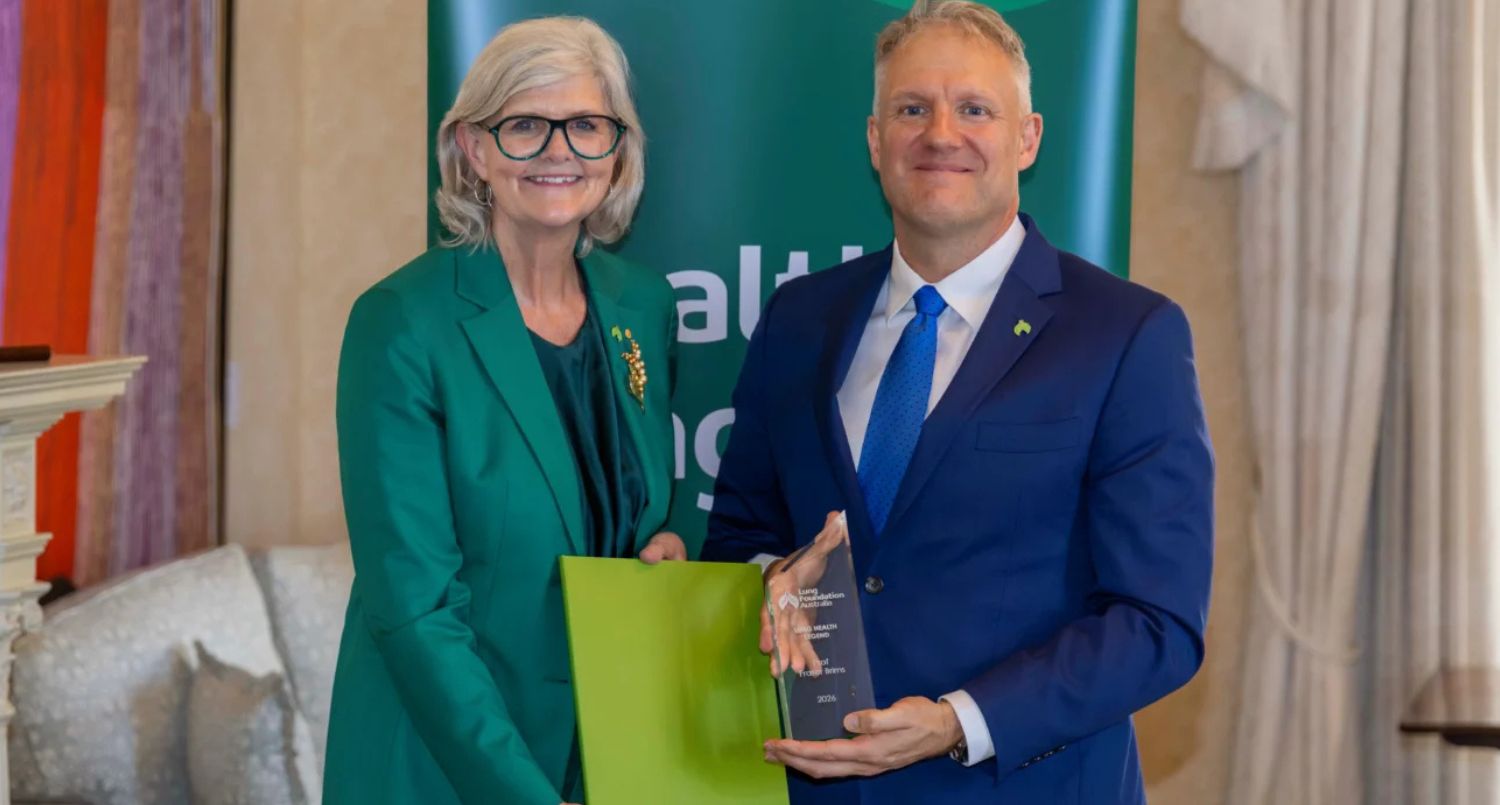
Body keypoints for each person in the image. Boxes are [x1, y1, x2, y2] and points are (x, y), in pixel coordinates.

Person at [702, 2, 1214, 802]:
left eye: (975, 108)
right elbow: (740, 533)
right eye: (912, 108)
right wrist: (772, 575)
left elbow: (1157, 624)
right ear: (876, 141)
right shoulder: (798, 320)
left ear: (1028, 137)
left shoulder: (1126, 333)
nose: (941, 133)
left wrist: (958, 721)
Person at [324, 16, 684, 805]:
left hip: (608, 754)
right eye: (525, 125)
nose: (560, 151)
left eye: (587, 125)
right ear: (473, 150)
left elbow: (630, 506)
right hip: (446, 767)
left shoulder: (643, 308)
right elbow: (416, 608)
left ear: (619, 149)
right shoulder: (401, 324)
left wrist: (657, 549)